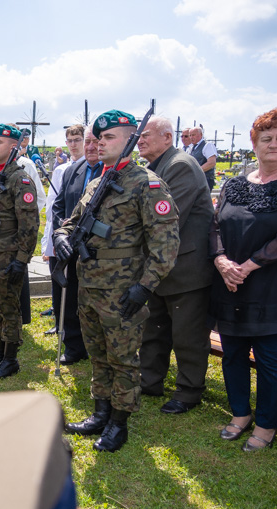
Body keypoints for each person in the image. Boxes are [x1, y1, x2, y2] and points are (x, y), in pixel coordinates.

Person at [53, 110, 180, 452]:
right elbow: (71, 222)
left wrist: (145, 286)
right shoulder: (97, 183)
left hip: (123, 290)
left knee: (123, 358)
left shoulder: (147, 184)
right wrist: (63, 238)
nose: (99, 143)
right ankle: (100, 412)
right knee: (97, 354)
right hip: (90, 285)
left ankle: (119, 423)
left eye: (108, 138)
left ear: (131, 140)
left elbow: (165, 244)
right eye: (97, 138)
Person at [210, 108, 277, 451]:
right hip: (230, 284)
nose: (273, 144)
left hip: (274, 288)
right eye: (266, 138)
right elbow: (214, 227)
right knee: (233, 353)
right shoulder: (234, 183)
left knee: (271, 360)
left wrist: (248, 266)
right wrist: (222, 260)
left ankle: (268, 425)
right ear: (254, 143)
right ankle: (240, 414)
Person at [137, 116, 215, 414]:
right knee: (153, 328)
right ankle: (150, 380)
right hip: (160, 267)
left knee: (187, 334)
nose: (140, 141)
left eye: (146, 136)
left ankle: (189, 389)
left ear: (167, 138)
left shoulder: (180, 165)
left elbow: (164, 220)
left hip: (186, 269)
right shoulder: (154, 167)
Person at [0, 124, 40, 379]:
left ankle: (11, 358)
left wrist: (21, 260)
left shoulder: (20, 178)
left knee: (10, 309)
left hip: (8, 255)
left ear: (13, 146)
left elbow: (29, 224)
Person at [51, 130, 102, 364]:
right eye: (88, 142)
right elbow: (58, 205)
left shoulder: (110, 172)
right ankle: (74, 346)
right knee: (70, 298)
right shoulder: (74, 170)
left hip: (99, 251)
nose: (90, 147)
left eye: (95, 142)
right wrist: (60, 232)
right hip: (71, 246)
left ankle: (99, 347)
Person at [43, 125, 85, 337]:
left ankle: (74, 326)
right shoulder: (62, 169)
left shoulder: (91, 168)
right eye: (70, 140)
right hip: (60, 231)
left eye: (77, 139)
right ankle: (59, 321)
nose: (73, 144)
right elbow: (52, 205)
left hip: (80, 234)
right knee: (57, 278)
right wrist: (50, 237)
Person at [189, 126, 218, 191]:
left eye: (193, 135)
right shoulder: (191, 148)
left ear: (201, 135)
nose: (191, 137)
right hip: (194, 180)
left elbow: (212, 163)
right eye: (190, 135)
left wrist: (197, 171)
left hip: (205, 180)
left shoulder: (207, 145)